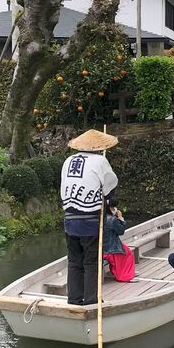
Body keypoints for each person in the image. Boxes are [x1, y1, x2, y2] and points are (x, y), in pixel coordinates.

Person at [60, 129, 118, 306]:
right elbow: (110, 188)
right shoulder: (100, 161)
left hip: (70, 219)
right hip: (89, 220)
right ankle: (92, 301)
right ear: (98, 147)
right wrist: (106, 197)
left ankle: (74, 299)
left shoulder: (68, 161)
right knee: (91, 262)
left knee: (74, 261)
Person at [102, 198, 136, 283]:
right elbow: (121, 231)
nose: (115, 209)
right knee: (126, 254)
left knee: (127, 250)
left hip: (104, 246)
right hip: (111, 248)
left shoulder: (102, 218)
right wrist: (120, 218)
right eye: (113, 207)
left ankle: (128, 272)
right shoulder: (112, 220)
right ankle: (124, 275)